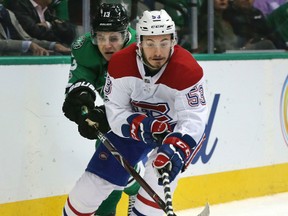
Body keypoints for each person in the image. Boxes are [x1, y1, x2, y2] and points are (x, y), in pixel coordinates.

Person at [63, 9, 208, 216]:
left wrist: (176, 148)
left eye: (164, 43)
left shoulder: (188, 70)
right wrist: (142, 126)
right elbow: (116, 111)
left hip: (173, 133)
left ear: (173, 41)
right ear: (139, 42)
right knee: (83, 196)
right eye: (150, 43)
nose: (157, 52)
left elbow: (193, 119)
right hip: (134, 127)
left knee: (151, 199)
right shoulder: (121, 63)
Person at [61, 3, 141, 216]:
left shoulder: (143, 49)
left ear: (126, 35)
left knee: (112, 160)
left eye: (113, 38)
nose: (106, 45)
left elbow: (147, 100)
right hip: (115, 113)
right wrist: (81, 102)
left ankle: (139, 193)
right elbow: (79, 84)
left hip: (148, 118)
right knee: (106, 160)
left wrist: (108, 115)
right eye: (100, 38)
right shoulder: (84, 48)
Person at [0, 2, 70, 56]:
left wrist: (52, 45)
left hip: (16, 61)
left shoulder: (7, 13)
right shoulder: (17, 6)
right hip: (5, 63)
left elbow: (26, 38)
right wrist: (28, 45)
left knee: (58, 55)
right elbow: (28, 42)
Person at [6, 0, 76, 46]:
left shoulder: (48, 9)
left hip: (49, 50)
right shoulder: (18, 5)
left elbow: (71, 31)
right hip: (28, 56)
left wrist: (49, 25)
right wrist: (60, 34)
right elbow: (35, 33)